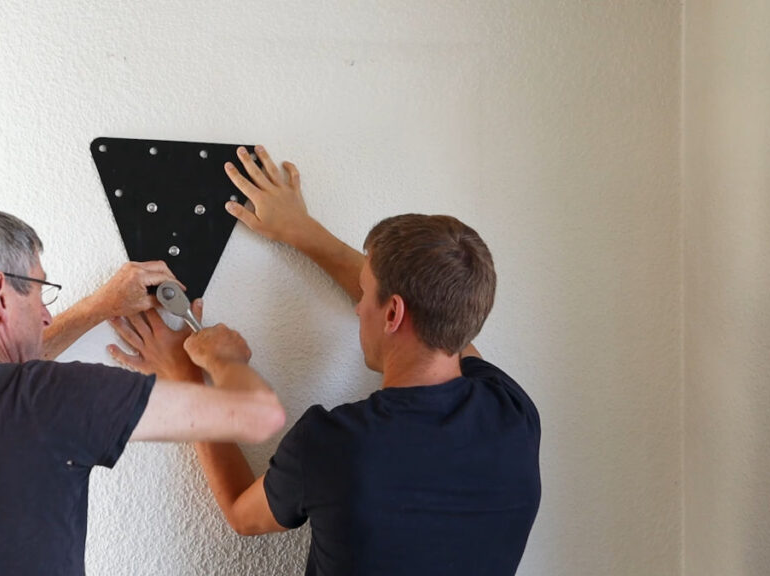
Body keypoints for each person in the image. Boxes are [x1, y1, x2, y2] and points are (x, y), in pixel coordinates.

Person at [112, 147, 542, 575]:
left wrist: (186, 375)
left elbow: (243, 515)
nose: (358, 306)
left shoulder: (335, 444)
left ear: (392, 313)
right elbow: (439, 306)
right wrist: (303, 232)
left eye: (365, 291)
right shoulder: (511, 412)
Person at [0, 203, 285, 576]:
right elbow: (254, 413)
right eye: (40, 291)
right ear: (0, 295)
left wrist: (97, 307)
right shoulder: (48, 398)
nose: (47, 316)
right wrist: (223, 358)